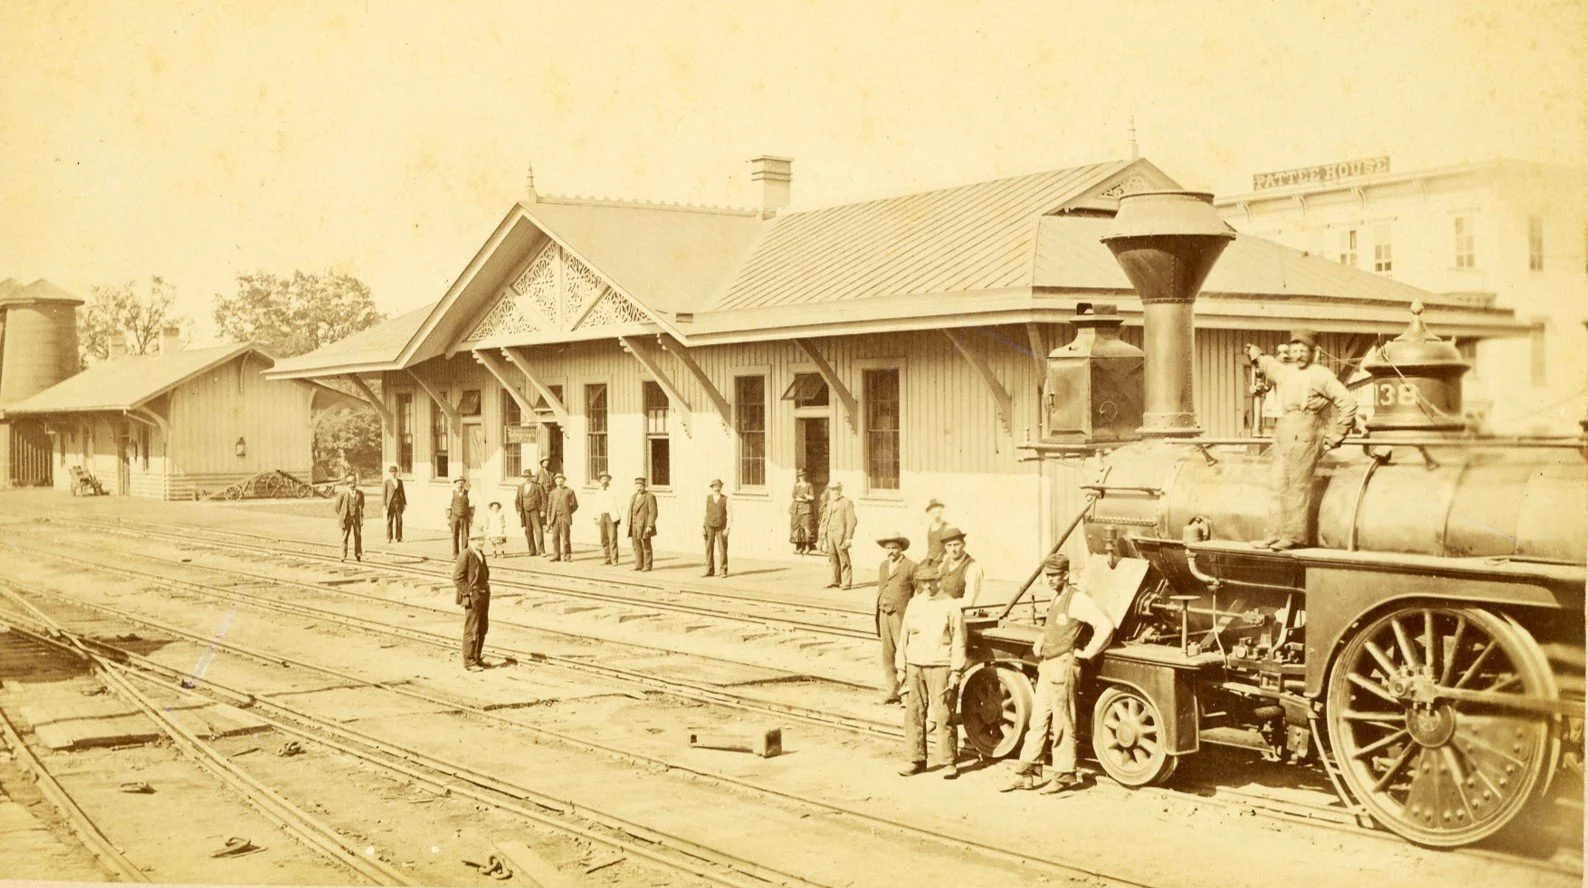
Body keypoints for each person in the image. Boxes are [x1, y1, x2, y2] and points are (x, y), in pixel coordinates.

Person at [1001, 554, 1114, 794]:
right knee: (1038, 720)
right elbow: (1057, 626)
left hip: (1063, 665)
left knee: (1063, 722)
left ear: (1066, 575)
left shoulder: (1077, 599)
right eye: (1048, 576)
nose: (1050, 580)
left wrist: (1088, 652)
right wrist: (1042, 640)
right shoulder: (1057, 598)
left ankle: (1064, 776)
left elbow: (1105, 626)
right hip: (1048, 665)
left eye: (1055, 575)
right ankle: (1026, 773)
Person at [1244, 331, 1358, 550]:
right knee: (1277, 485)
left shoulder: (1322, 376)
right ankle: (1273, 534)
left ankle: (1293, 536)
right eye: (1295, 350)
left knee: (1297, 487)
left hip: (1306, 433)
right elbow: (1270, 365)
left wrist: (1339, 433)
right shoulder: (1286, 372)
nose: (1298, 355)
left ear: (1313, 353)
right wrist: (1256, 355)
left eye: (1303, 351)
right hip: (1284, 432)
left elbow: (1347, 402)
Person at [895, 564, 965, 780]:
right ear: (919, 583)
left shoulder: (950, 605)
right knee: (914, 713)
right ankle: (916, 760)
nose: (929, 586)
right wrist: (901, 666)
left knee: (944, 714)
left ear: (940, 580)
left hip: (941, 665)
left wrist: (956, 671)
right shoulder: (914, 603)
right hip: (915, 665)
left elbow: (959, 639)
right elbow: (904, 636)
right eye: (924, 582)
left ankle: (949, 761)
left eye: (932, 581)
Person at [874, 532, 917, 704]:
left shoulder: (911, 567)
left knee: (903, 654)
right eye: (888, 548)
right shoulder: (883, 566)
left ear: (901, 549)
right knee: (887, 654)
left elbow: (918, 592)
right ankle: (893, 690)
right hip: (884, 613)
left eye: (894, 548)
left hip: (901, 616)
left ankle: (907, 694)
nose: (891, 551)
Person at [452, 532, 491, 672]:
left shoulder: (480, 554)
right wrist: (468, 592)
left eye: (482, 539)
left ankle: (477, 657)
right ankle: (469, 661)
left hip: (484, 594)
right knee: (472, 628)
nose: (481, 542)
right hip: (474, 595)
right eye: (478, 540)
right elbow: (457, 577)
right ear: (471, 541)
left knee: (482, 627)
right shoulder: (465, 555)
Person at [1250, 342, 1292, 436]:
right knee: (1278, 410)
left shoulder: (1289, 368)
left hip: (1285, 391)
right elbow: (1269, 379)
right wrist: (1265, 386)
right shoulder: (1272, 364)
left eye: (1286, 359)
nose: (1284, 360)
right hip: (1278, 391)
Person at [937, 526, 986, 606]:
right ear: (945, 547)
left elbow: (968, 602)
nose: (953, 549)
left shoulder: (972, 567)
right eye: (949, 545)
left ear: (964, 544)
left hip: (958, 612)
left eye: (956, 545)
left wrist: (943, 604)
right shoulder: (945, 560)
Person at [823, 481, 857, 589]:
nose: (835, 491)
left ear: (841, 489)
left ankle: (846, 582)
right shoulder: (830, 502)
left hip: (841, 534)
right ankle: (835, 580)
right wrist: (824, 535)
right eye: (833, 489)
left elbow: (852, 520)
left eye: (837, 488)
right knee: (832, 556)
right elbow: (826, 519)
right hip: (830, 533)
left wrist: (849, 537)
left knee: (843, 557)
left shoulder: (846, 502)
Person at [545, 474, 578, 561]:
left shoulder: (569, 491)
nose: (559, 482)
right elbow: (549, 507)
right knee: (555, 538)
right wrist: (548, 519)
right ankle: (556, 556)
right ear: (555, 481)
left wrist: (568, 512)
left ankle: (567, 556)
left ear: (564, 481)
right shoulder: (552, 492)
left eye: (561, 480)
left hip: (565, 518)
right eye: (558, 480)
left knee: (566, 538)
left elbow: (575, 505)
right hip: (555, 518)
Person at [628, 476, 658, 571]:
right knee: (636, 545)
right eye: (637, 486)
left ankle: (647, 565)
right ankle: (638, 565)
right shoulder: (634, 496)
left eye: (641, 486)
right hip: (634, 525)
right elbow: (630, 510)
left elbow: (653, 512)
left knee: (646, 545)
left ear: (644, 486)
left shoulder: (650, 496)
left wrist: (650, 525)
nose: (639, 488)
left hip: (644, 525)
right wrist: (629, 522)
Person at [593, 472, 623, 565]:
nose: (604, 481)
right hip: (602, 516)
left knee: (612, 538)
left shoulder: (614, 490)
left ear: (609, 480)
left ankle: (614, 560)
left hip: (611, 516)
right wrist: (595, 517)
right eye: (603, 479)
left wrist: (618, 516)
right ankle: (607, 559)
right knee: (604, 539)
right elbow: (595, 505)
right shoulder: (598, 492)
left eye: (606, 479)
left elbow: (619, 504)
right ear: (600, 481)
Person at [703, 479, 731, 578]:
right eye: (715, 486)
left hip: (721, 526)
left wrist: (728, 528)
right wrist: (702, 527)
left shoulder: (725, 499)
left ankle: (723, 570)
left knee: (722, 549)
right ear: (712, 488)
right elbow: (703, 513)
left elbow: (730, 514)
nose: (717, 488)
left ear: (721, 487)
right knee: (709, 548)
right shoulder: (708, 498)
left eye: (718, 486)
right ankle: (709, 570)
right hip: (709, 525)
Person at [334, 473, 365, 562]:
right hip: (346, 518)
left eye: (354, 482)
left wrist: (359, 515)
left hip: (356, 518)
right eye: (350, 483)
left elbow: (362, 505)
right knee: (345, 536)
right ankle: (343, 555)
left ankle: (358, 554)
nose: (352, 485)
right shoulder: (343, 493)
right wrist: (343, 514)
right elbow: (337, 507)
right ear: (347, 484)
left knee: (358, 536)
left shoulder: (360, 493)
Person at [514, 468, 545, 556]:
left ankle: (541, 551)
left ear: (531, 477)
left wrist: (543, 510)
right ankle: (532, 551)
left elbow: (544, 499)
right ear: (524, 478)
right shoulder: (520, 487)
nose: (527, 478)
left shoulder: (538, 486)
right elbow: (517, 501)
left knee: (538, 530)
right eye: (525, 477)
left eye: (528, 476)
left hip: (535, 511)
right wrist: (519, 510)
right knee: (528, 531)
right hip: (525, 512)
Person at [789, 471, 817, 555]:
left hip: (806, 509)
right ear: (798, 477)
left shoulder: (809, 485)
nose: (801, 477)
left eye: (803, 475)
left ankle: (808, 546)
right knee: (797, 527)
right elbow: (794, 496)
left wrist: (805, 496)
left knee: (807, 527)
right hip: (796, 509)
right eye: (800, 476)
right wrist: (802, 499)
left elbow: (812, 497)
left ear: (805, 476)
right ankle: (799, 547)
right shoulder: (796, 485)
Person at [533, 457, 554, 551]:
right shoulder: (538, 473)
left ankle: (549, 525)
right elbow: (535, 483)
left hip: (549, 493)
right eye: (544, 462)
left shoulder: (551, 473)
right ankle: (542, 525)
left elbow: (553, 484)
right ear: (541, 463)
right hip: (541, 494)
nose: (546, 463)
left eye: (547, 462)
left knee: (550, 509)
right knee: (542, 510)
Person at [446, 477, 472, 557]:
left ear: (464, 484)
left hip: (465, 517)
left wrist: (471, 517)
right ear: (456, 484)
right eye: (458, 483)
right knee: (454, 535)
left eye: (461, 483)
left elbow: (471, 507)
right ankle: (455, 554)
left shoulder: (468, 493)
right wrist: (448, 518)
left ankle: (464, 554)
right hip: (455, 516)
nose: (460, 485)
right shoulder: (452, 493)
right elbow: (448, 506)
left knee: (465, 536)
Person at [382, 465, 406, 543]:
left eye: (395, 472)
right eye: (392, 472)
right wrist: (384, 504)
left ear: (396, 472)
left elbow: (402, 492)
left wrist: (404, 503)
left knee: (399, 520)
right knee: (390, 520)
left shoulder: (400, 481)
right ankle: (389, 537)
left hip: (398, 502)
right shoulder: (387, 482)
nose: (393, 473)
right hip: (390, 503)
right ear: (390, 473)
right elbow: (384, 494)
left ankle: (399, 537)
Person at [922, 499, 948, 567]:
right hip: (931, 561)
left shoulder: (946, 527)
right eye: (933, 513)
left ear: (941, 512)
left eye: (938, 512)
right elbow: (929, 547)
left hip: (944, 560)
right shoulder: (929, 527)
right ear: (930, 513)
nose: (936, 515)